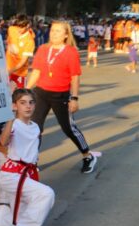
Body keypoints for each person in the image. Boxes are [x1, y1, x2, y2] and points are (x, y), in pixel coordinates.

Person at [0, 89, 56, 226]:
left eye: (31, 102)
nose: (28, 106)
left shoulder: (35, 127)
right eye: (23, 103)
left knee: (18, 217)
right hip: (12, 176)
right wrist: (10, 119)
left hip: (26, 174)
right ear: (15, 106)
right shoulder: (13, 125)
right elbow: (4, 142)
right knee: (47, 194)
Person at [26, 20, 97, 173]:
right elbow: (36, 72)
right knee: (34, 128)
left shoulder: (71, 52)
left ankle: (87, 155)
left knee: (69, 128)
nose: (54, 33)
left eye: (58, 31)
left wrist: (75, 98)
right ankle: (32, 162)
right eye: (52, 30)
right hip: (41, 93)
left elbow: (75, 77)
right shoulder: (43, 49)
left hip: (61, 95)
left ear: (66, 35)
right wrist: (25, 91)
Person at [6, 15, 36, 89]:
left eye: (22, 27)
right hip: (6, 69)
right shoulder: (11, 29)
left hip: (19, 73)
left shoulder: (30, 41)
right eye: (18, 26)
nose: (19, 29)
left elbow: (23, 62)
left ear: (27, 26)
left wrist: (10, 71)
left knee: (19, 97)